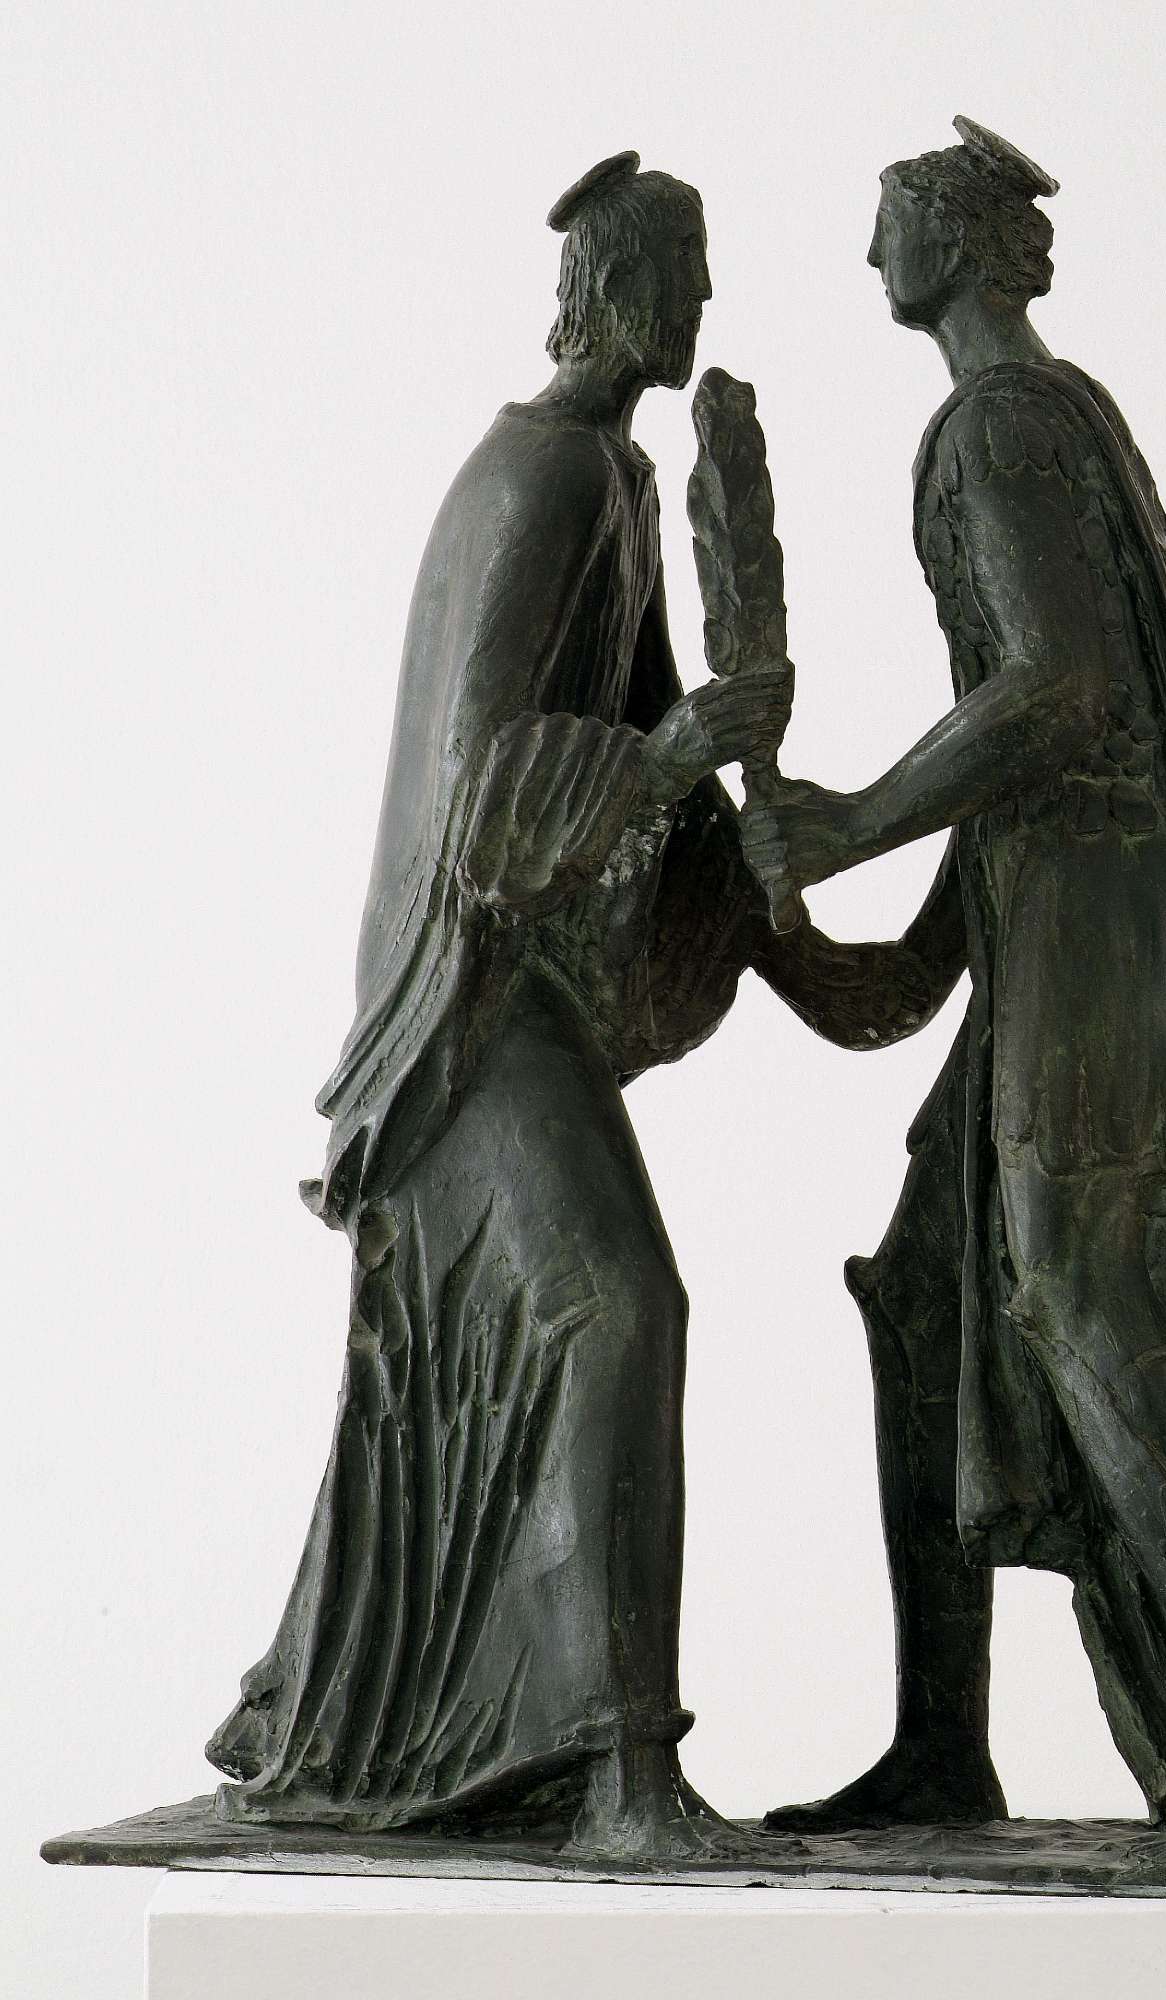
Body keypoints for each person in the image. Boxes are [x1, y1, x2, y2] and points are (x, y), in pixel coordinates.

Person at [205, 152, 933, 1859]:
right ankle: (622, 1780)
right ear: (611, 292)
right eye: (683, 275)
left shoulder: (621, 476)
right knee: (618, 1306)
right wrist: (676, 759)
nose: (702, 304)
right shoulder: (539, 478)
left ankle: (523, 1751)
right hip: (462, 1001)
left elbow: (659, 738)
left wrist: (763, 860)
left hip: (523, 980)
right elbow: (484, 788)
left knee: (576, 1326)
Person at [744, 118, 1166, 1860]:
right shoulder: (1049, 415)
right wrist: (820, 933)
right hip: (1073, 917)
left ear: (955, 240)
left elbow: (1061, 695)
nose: (869, 250)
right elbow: (1021, 779)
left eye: (889, 219)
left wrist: (852, 817)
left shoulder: (999, 424)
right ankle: (942, 1745)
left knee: (1089, 1310)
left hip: (1108, 939)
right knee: (928, 1299)